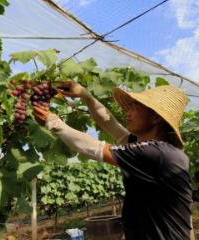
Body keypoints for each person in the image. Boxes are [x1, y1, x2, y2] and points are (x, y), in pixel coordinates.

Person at [33, 81, 192, 240]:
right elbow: (111, 124)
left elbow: (93, 148)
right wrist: (84, 94)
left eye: (135, 109)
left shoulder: (155, 153)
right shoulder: (160, 151)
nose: (128, 113)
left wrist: (54, 123)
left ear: (156, 117)